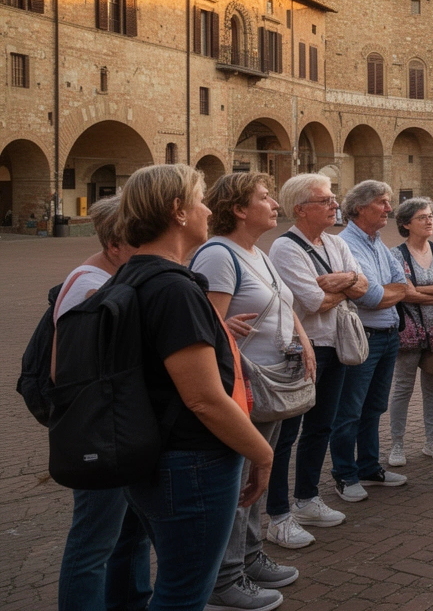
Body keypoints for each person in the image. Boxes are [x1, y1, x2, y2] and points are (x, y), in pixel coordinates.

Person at [116, 164, 274, 610]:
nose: (208, 209)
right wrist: (261, 453)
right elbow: (203, 398)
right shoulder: (174, 289)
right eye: (200, 200)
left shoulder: (133, 275)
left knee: (174, 578)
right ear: (177, 212)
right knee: (185, 590)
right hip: (190, 462)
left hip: (157, 453)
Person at [194, 172, 314, 609]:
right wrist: (221, 326)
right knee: (241, 482)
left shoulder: (256, 253)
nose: (274, 205)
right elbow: (203, 328)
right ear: (239, 209)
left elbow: (280, 302)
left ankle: (249, 556)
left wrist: (301, 337)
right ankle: (225, 579)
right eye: (265, 198)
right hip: (245, 387)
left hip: (272, 383)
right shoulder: (218, 256)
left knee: (254, 480)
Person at [55, 197, 152, 611]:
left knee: (129, 532)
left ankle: (130, 601)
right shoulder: (90, 287)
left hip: (114, 429)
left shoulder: (111, 279)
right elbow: (73, 372)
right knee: (94, 540)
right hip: (98, 432)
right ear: (116, 246)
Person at [267, 174, 364, 549]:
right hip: (304, 348)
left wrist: (342, 280)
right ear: (300, 209)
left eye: (332, 198)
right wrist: (348, 285)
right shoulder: (285, 249)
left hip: (335, 345)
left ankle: (306, 499)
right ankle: (278, 514)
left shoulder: (337, 243)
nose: (334, 204)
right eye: (324, 200)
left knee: (321, 426)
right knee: (287, 435)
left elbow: (365, 286)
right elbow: (312, 302)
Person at [332, 180, 410, 502]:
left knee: (374, 407)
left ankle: (368, 465)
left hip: (389, 335)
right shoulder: (346, 244)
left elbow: (401, 284)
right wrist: (385, 292)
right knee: (349, 409)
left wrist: (386, 292)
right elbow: (371, 297)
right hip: (364, 337)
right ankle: (344, 474)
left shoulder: (378, 242)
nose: (388, 209)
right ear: (361, 207)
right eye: (382, 202)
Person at [387, 198, 433, 467]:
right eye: (422, 217)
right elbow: (403, 292)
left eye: (430, 216)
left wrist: (419, 292)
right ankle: (397, 444)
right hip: (409, 332)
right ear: (406, 224)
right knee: (403, 387)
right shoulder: (396, 255)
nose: (429, 221)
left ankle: (432, 441)